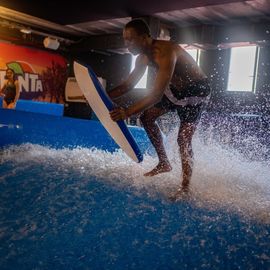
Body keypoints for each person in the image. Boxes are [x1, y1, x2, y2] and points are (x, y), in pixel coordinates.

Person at [109, 19, 211, 195]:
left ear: (144, 38)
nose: (127, 44)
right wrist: (101, 95)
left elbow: (156, 94)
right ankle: (164, 162)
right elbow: (127, 86)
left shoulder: (166, 51)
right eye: (125, 39)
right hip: (175, 92)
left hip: (196, 92)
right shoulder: (142, 58)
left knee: (183, 140)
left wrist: (126, 112)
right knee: (146, 118)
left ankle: (185, 187)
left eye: (131, 39)